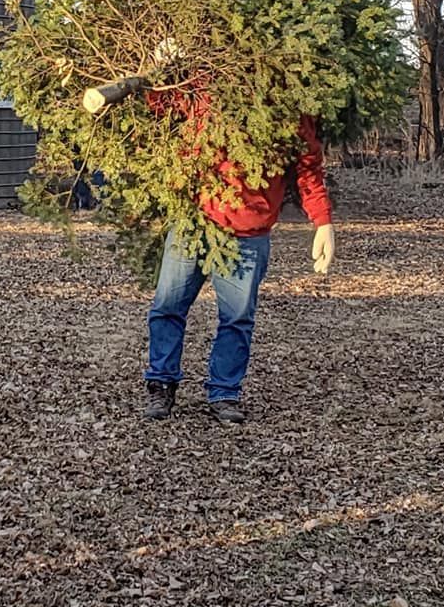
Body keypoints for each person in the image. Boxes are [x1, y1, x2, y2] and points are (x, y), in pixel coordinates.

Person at [142, 88, 335, 424]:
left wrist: (323, 222)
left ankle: (224, 393)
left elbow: (308, 166)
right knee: (167, 306)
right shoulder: (206, 85)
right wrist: (158, 75)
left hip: (248, 229)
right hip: (193, 220)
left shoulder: (288, 104)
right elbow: (164, 111)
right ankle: (161, 383)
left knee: (237, 318)